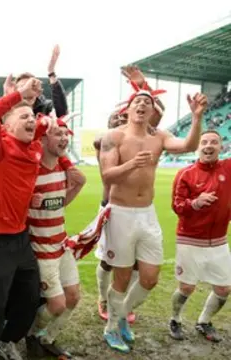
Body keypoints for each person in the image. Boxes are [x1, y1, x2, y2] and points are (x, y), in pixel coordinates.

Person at [100, 85, 207, 353]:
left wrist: (196, 117)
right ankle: (112, 327)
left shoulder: (159, 136)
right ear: (128, 108)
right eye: (137, 100)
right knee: (122, 276)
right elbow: (107, 176)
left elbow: (188, 145)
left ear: (151, 111)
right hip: (120, 213)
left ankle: (121, 315)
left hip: (147, 214)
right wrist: (132, 164)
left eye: (147, 102)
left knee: (150, 277)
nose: (141, 104)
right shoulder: (114, 136)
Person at [0, 79, 76, 360]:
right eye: (23, 117)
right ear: (7, 126)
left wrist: (40, 106)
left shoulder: (33, 145)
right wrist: (17, 95)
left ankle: (8, 340)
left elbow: (48, 121)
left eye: (32, 117)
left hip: (21, 238)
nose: (31, 121)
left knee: (30, 298)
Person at [93, 66, 165, 323]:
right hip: (111, 203)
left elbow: (155, 115)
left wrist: (142, 86)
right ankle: (104, 298)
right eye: (114, 119)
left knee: (135, 262)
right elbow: (108, 174)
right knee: (107, 260)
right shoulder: (108, 139)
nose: (118, 121)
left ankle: (121, 306)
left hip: (138, 209)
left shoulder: (141, 131)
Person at [25, 115, 84, 359]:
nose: (63, 138)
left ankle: (47, 338)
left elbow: (58, 206)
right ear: (43, 138)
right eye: (57, 133)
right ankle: (30, 334)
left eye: (65, 134)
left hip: (61, 244)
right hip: (41, 249)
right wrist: (29, 202)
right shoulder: (31, 169)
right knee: (57, 305)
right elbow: (15, 209)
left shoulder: (62, 168)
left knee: (73, 297)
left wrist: (77, 188)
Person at [168, 130, 231, 343]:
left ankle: (204, 321)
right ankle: (175, 318)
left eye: (214, 142)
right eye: (204, 142)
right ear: (198, 147)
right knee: (186, 287)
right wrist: (195, 203)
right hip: (190, 239)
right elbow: (177, 206)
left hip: (219, 241)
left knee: (224, 289)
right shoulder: (186, 174)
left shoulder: (228, 168)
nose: (208, 145)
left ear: (221, 147)